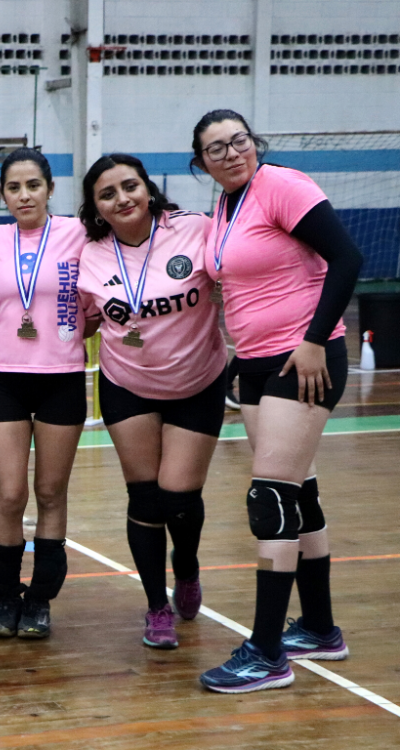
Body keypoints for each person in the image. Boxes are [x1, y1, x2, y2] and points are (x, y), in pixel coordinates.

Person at [191, 110, 362, 693]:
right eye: (216, 149)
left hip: (304, 360)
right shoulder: (224, 209)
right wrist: (241, 361)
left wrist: (315, 341)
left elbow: (347, 260)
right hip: (260, 363)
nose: (231, 152)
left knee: (271, 498)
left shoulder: (282, 186)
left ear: (253, 143)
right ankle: (318, 627)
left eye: (238, 140)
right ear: (202, 163)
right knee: (297, 490)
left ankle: (266, 652)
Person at [76, 153, 227, 649]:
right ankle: (156, 606)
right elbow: (82, 317)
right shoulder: (89, 253)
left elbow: (240, 273)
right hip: (128, 384)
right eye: (107, 193)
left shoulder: (195, 230)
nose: (122, 199)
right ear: (96, 207)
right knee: (145, 497)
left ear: (148, 188)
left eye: (130, 186)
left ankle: (186, 567)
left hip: (197, 382)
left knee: (179, 497)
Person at [0, 147, 87, 639]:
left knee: (49, 492)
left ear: (49, 189)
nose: (24, 195)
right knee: (9, 494)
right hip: (2, 375)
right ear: (3, 194)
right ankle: (5, 597)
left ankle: (40, 599)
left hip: (61, 376)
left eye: (33, 186)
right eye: (14, 188)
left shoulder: (77, 234)